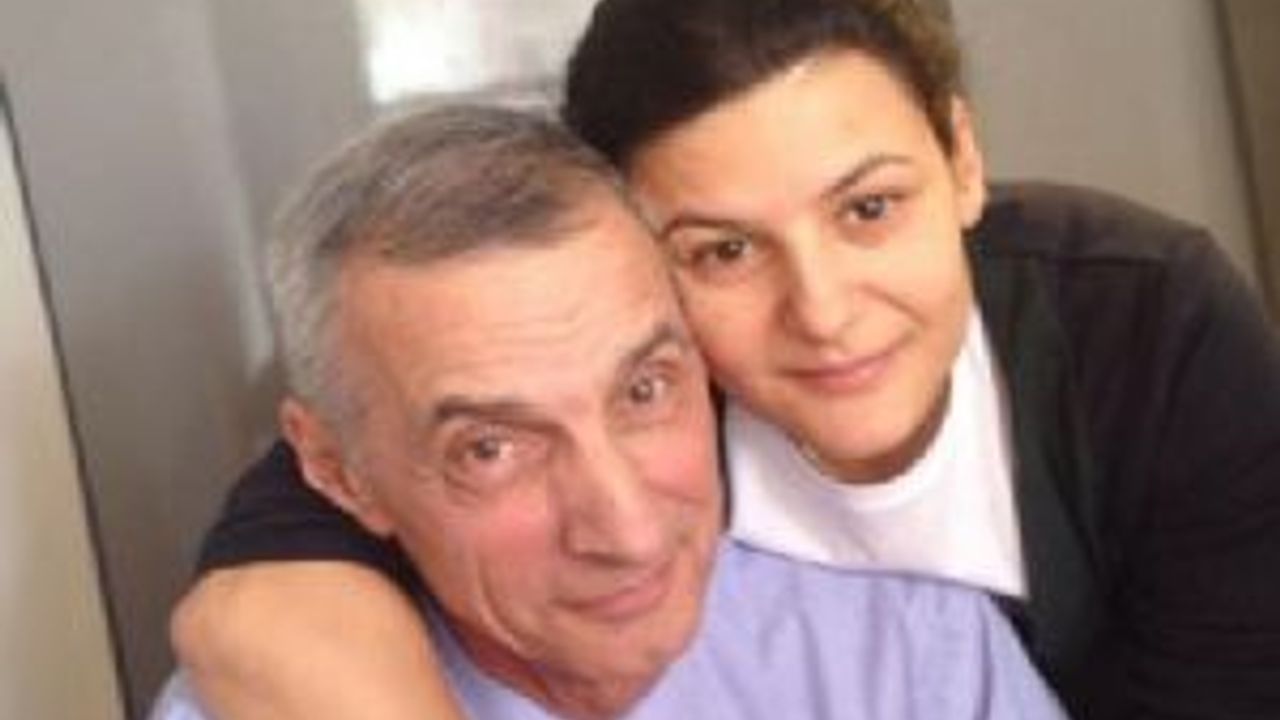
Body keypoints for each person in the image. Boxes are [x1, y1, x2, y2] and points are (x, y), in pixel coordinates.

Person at [172, 0, 1280, 718]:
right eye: (724, 249)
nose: (823, 312)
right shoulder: (617, 355)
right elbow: (343, 470)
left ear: (962, 160)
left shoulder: (1141, 324)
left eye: (869, 207)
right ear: (633, 257)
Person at [152, 103, 1064, 720]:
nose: (626, 531)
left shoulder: (901, 639)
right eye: (490, 449)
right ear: (335, 470)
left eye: (644, 391)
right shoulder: (256, 703)